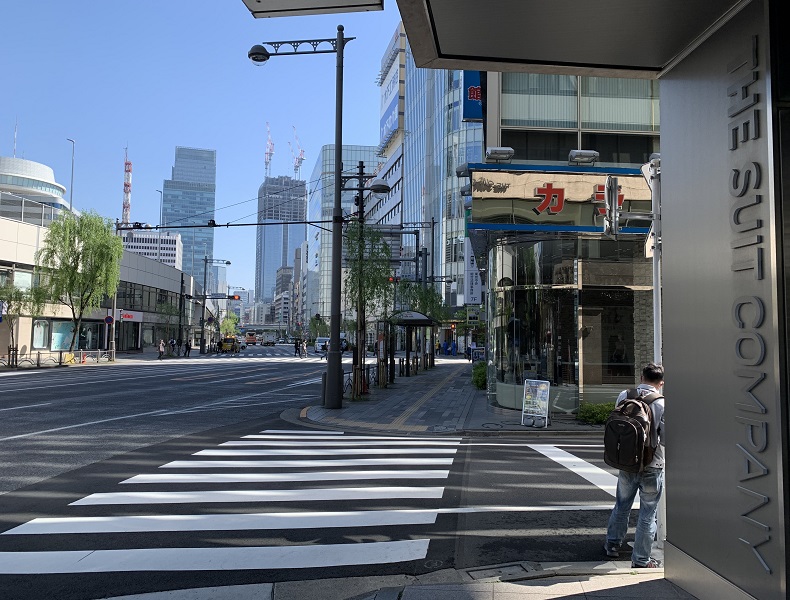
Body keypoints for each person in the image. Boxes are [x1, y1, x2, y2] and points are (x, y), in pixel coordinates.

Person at [604, 362, 666, 569]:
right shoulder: (661, 403)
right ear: (661, 383)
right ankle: (641, 560)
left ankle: (612, 545)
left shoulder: (625, 395)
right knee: (648, 513)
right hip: (652, 463)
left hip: (627, 462)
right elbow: (664, 438)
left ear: (641, 377)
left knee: (622, 505)